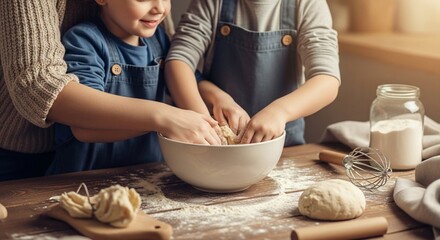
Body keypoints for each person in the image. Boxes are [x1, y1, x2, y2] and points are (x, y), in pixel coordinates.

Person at [0, 0, 221, 181]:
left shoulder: (157, 37)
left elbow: (181, 71)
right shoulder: (85, 41)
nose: (160, 8)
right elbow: (42, 86)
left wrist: (218, 97)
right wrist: (162, 118)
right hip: (78, 179)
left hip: (146, 177)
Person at [165, 0, 341, 146]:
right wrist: (203, 121)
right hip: (216, 147)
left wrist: (280, 112)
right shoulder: (212, 2)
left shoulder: (308, 3)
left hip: (284, 148)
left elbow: (327, 80)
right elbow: (179, 61)